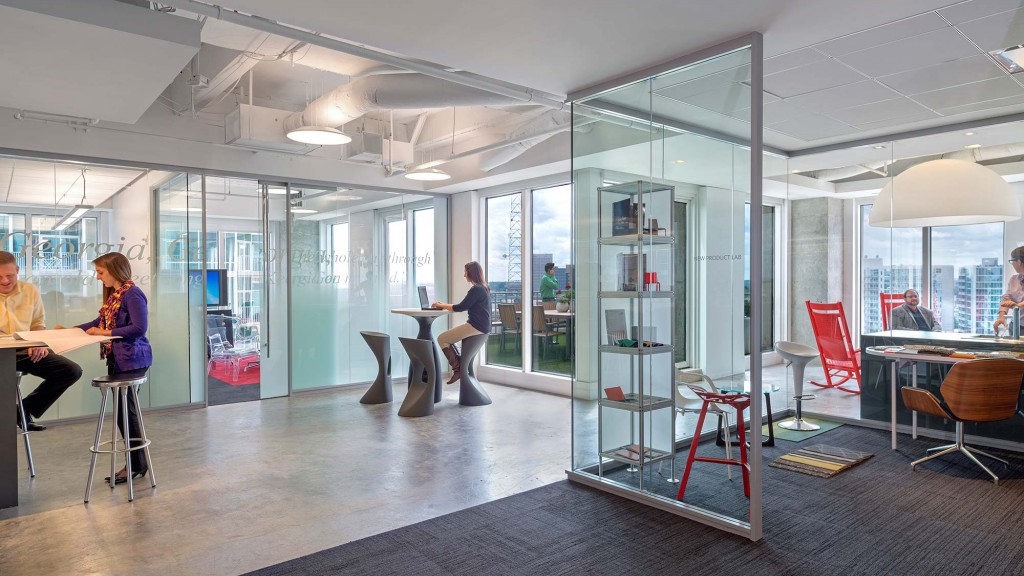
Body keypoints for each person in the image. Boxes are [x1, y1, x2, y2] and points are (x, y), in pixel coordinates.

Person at [74, 252, 153, 484]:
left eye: (100, 272)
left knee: (126, 414)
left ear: (114, 270)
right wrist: (72, 330)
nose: (98, 277)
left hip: (133, 360)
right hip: (118, 359)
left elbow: (139, 328)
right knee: (123, 414)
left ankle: (137, 465)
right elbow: (98, 324)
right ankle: (137, 464)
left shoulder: (132, 294)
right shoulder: (115, 296)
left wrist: (106, 333)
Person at [0, 250, 83, 432]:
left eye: (9, 275)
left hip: (24, 349)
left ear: (18, 270)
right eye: (0, 276)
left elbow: (38, 323)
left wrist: (38, 342)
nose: (5, 281)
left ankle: (23, 409)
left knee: (71, 371)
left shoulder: (30, 290)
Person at [432, 261, 491, 384]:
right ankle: (459, 363)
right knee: (448, 339)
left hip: (475, 326)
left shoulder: (476, 289)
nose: (464, 275)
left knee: (442, 338)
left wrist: (441, 305)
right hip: (481, 326)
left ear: (470, 273)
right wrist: (443, 305)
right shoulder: (483, 287)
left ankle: (457, 369)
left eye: (465, 272)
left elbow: (460, 307)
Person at [994, 246, 1024, 334]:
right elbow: (1006, 299)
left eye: (1012, 261)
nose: (1012, 264)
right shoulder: (1013, 279)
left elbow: (1016, 305)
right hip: (1016, 326)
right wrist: (1002, 317)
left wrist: (1018, 305)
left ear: (1019, 262)